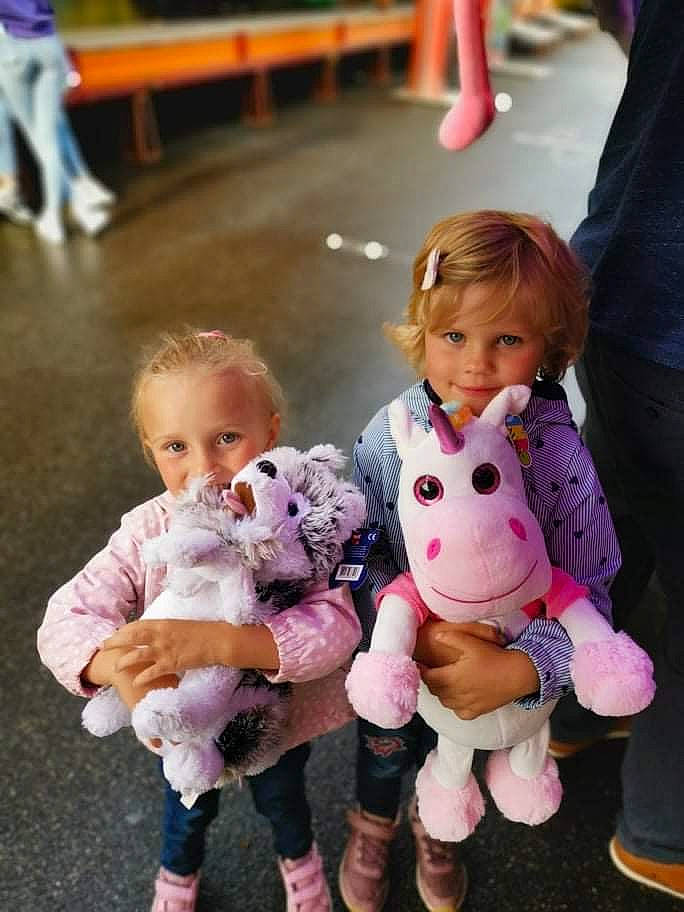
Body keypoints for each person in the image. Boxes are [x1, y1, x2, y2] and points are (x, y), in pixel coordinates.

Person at [338, 210, 621, 912]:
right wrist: (406, 635)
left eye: (508, 339)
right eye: (453, 335)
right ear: (422, 330)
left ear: (550, 348)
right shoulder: (388, 439)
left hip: (511, 656)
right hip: (408, 650)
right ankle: (373, 821)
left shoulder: (556, 457)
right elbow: (357, 551)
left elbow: (593, 586)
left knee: (452, 764)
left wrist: (527, 665)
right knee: (385, 745)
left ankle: (439, 832)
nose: (475, 362)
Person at [37, 329, 363, 912]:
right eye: (176, 447)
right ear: (149, 448)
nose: (204, 468)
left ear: (271, 431)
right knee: (187, 810)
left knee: (284, 801)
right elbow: (65, 615)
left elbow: (337, 629)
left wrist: (220, 643)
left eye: (227, 438)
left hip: (277, 728)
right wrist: (122, 668)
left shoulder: (292, 521)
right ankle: (177, 878)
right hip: (184, 733)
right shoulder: (149, 532)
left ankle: (302, 864)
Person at [548, 0, 684, 899]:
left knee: (610, 523)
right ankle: (663, 832)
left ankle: (571, 710)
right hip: (671, 329)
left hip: (616, 287)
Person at [0, 2, 112, 242]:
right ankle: (82, 204)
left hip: (11, 49)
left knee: (39, 139)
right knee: (50, 133)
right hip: (48, 44)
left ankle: (57, 214)